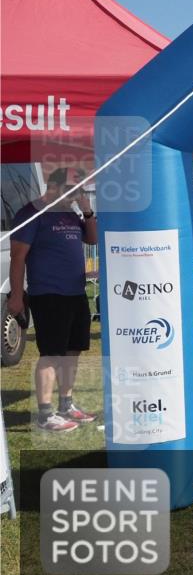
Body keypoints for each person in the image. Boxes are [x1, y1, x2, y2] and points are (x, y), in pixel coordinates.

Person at [9, 168, 98, 432]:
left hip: (75, 293)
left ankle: (66, 405)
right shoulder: (32, 212)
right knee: (51, 353)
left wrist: (88, 211)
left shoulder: (70, 212)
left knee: (73, 351)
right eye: (74, 188)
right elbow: (17, 257)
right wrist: (16, 296)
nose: (77, 194)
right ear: (55, 186)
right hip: (48, 295)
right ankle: (46, 414)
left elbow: (91, 238)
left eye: (80, 189)